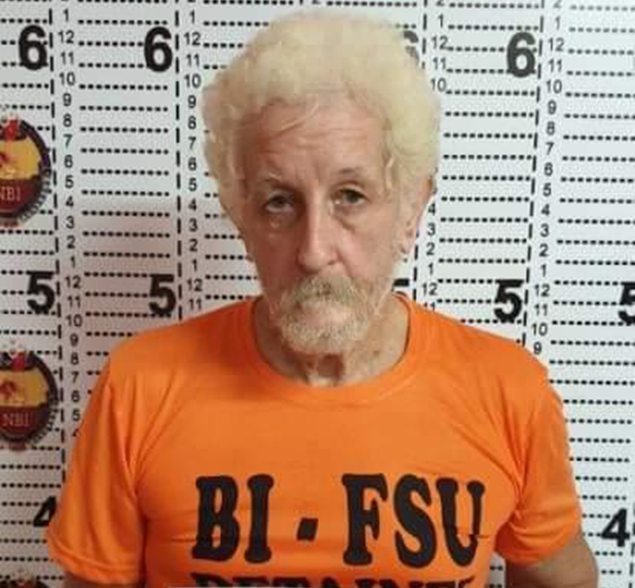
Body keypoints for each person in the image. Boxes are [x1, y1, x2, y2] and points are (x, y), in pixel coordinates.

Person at [46, 10, 598, 588]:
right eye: (279, 202)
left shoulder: (508, 392)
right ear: (242, 217)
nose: (313, 251)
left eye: (350, 196)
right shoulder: (140, 386)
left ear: (410, 209)